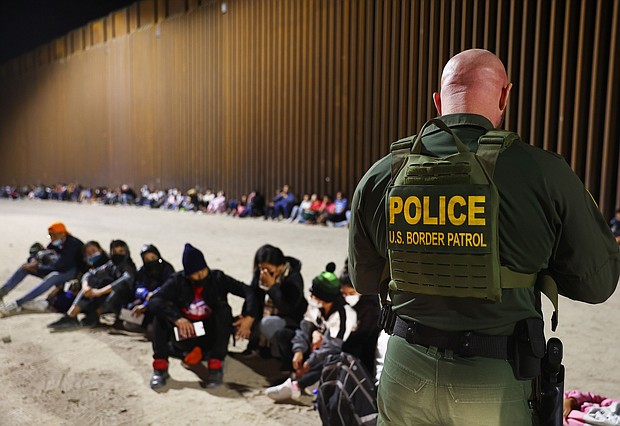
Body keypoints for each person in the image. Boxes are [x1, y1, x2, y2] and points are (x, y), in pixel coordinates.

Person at [348, 49, 620, 425]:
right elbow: (598, 284)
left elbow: (363, 279)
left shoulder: (381, 175)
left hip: (404, 368)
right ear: (505, 95)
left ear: (439, 102)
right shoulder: (545, 172)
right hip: (494, 378)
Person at [147, 243, 251, 389]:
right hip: (187, 333)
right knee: (160, 316)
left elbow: (248, 290)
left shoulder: (217, 278)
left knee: (223, 310)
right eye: (195, 273)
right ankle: (160, 368)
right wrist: (177, 318)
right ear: (188, 274)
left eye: (203, 270)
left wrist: (249, 316)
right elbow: (155, 300)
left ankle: (215, 366)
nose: (201, 275)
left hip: (210, 333)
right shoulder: (178, 281)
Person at [266, 267, 357, 401]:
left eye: (315, 294)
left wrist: (308, 364)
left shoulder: (344, 314)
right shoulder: (316, 305)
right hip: (315, 347)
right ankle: (297, 374)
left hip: (332, 354)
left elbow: (331, 347)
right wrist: (298, 351)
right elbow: (304, 327)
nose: (311, 297)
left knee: (332, 357)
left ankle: (297, 385)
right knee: (285, 336)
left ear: (325, 298)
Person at [0, 222, 85, 317]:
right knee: (24, 268)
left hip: (72, 272)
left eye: (54, 235)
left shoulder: (73, 244)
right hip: (55, 268)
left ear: (62, 234)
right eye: (50, 236)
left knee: (52, 277)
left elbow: (61, 266)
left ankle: (17, 304)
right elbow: (41, 253)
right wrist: (32, 262)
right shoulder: (57, 241)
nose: (52, 238)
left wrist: (38, 269)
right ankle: (1, 293)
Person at [47, 239, 137, 330]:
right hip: (101, 297)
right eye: (114, 251)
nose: (117, 255)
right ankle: (71, 315)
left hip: (121, 303)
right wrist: (86, 286)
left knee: (115, 289)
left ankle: (95, 314)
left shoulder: (128, 266)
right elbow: (90, 274)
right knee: (91, 283)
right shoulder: (111, 265)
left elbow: (124, 281)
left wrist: (100, 292)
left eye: (121, 251)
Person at [237, 244, 307, 357]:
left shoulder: (293, 278)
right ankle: (257, 345)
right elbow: (252, 297)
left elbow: (288, 308)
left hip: (289, 321)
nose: (264, 273)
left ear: (280, 266)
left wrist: (272, 287)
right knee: (242, 319)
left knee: (267, 324)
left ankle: (279, 352)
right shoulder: (261, 273)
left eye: (269, 270)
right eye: (261, 268)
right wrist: (247, 317)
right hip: (267, 315)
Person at [338, 260, 381, 377]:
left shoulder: (371, 305)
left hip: (365, 346)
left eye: (351, 293)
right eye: (344, 293)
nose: (347, 297)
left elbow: (365, 334)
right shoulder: (341, 298)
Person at [124, 244, 175, 330]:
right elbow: (138, 287)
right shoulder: (143, 270)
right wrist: (145, 294)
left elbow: (167, 287)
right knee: (130, 309)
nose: (150, 261)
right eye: (147, 259)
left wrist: (149, 300)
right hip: (146, 299)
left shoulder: (167, 268)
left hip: (161, 299)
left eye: (152, 257)